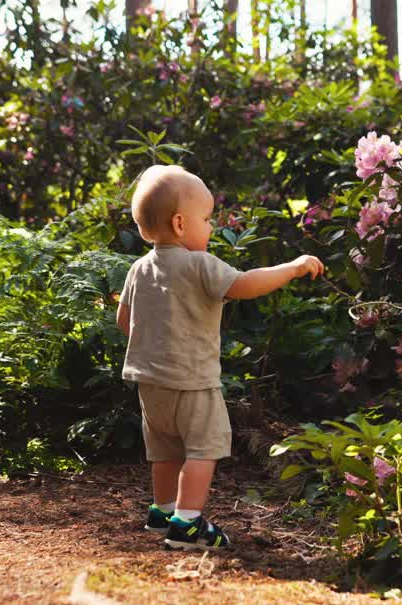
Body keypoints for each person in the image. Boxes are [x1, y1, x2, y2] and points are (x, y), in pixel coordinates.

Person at [116, 165, 325, 550]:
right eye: (207, 219)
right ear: (180, 223)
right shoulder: (199, 265)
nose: (211, 227)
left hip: (149, 383)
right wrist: (291, 269)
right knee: (202, 448)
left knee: (164, 450)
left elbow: (124, 320)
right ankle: (188, 525)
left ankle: (162, 511)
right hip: (193, 382)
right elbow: (244, 284)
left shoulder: (138, 269)